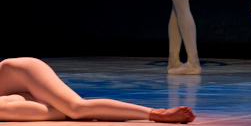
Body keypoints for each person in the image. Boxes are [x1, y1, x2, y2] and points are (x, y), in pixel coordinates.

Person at [0, 57, 196, 122]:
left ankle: (157, 113)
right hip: (13, 88)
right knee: (71, 111)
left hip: (20, 71)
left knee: (77, 108)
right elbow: (12, 104)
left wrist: (66, 113)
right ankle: (70, 113)